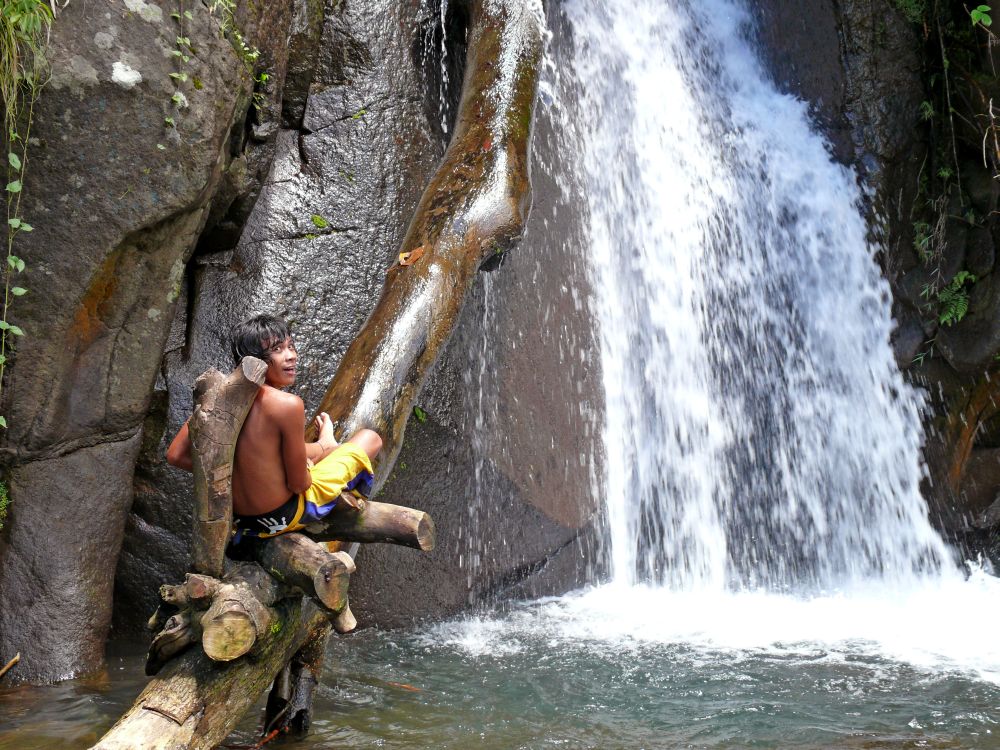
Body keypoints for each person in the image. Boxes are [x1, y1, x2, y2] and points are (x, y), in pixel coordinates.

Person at [166, 314, 382, 540]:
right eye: (278, 350)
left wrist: (238, 472)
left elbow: (175, 455)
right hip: (281, 517)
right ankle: (328, 446)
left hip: (239, 519)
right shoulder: (287, 405)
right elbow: (299, 484)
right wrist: (308, 462)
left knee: (311, 452)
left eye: (291, 346)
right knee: (370, 438)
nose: (291, 356)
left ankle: (325, 445)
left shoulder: (218, 396)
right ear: (254, 360)